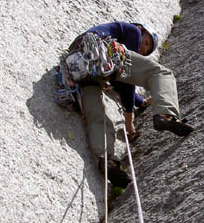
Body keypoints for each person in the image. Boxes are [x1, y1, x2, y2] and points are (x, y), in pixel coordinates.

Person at [77, 21, 193, 187]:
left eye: (145, 51)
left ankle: (107, 160)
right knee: (161, 73)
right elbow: (126, 82)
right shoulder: (132, 31)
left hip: (81, 65)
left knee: (97, 116)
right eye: (145, 43)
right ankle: (165, 114)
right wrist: (129, 123)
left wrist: (140, 102)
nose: (142, 49)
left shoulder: (116, 41)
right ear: (141, 30)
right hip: (101, 50)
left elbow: (120, 85)